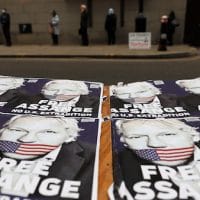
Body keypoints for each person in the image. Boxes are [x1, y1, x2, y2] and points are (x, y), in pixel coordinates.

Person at [0, 115, 95, 199]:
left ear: (69, 137)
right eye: (17, 130)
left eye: (47, 132)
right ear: (2, 130)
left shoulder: (93, 158)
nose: (26, 139)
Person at [111, 118, 200, 199]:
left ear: (195, 135)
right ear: (125, 142)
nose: (154, 144)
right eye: (136, 137)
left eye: (167, 134)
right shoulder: (121, 166)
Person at [3, 79, 99, 117]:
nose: (59, 93)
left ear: (81, 92)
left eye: (68, 90)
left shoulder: (96, 103)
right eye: (53, 90)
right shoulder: (26, 99)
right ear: (43, 91)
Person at [110, 81, 182, 116]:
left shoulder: (173, 99)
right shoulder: (113, 102)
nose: (132, 96)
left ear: (155, 90)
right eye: (124, 94)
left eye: (141, 92)